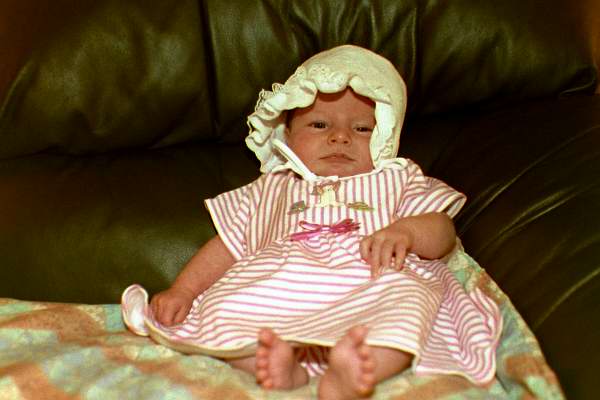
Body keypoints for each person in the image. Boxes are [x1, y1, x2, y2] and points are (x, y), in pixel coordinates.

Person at [122, 45, 501, 400]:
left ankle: (356, 370)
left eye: (362, 128)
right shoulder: (270, 187)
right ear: (286, 135)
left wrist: (406, 232)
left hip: (370, 279)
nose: (340, 138)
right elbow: (226, 246)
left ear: (386, 136)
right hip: (280, 282)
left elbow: (442, 231)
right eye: (319, 125)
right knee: (224, 310)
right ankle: (280, 366)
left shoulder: (397, 178)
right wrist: (184, 291)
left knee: (408, 303)